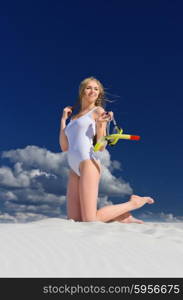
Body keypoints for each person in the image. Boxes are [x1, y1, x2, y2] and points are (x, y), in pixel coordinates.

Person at [59, 76, 154, 223]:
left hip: (88, 162)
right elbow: (64, 147)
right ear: (82, 91)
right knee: (74, 220)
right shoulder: (73, 118)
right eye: (89, 88)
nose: (92, 91)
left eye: (96, 89)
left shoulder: (98, 111)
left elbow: (101, 146)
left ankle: (133, 203)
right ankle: (122, 217)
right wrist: (63, 120)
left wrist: (101, 125)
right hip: (73, 167)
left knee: (90, 220)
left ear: (99, 94)